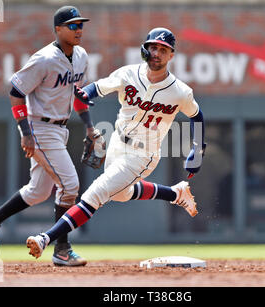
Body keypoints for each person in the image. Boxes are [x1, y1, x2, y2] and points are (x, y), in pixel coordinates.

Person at [26, 27, 206, 259]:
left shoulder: (180, 91)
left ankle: (46, 239)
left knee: (96, 193)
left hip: (143, 154)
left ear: (171, 55)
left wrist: (197, 150)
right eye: (153, 47)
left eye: (163, 50)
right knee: (121, 194)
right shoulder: (128, 74)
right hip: (117, 144)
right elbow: (98, 87)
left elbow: (197, 115)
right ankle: (175, 194)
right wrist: (86, 94)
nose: (157, 53)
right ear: (145, 49)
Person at [0, 6, 104, 267]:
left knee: (38, 191)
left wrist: (89, 126)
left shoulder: (81, 57)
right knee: (70, 185)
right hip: (40, 129)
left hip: (61, 128)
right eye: (72, 25)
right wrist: (26, 133)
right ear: (58, 29)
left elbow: (76, 95)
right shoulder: (44, 58)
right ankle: (62, 249)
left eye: (81, 25)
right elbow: (15, 91)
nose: (79, 30)